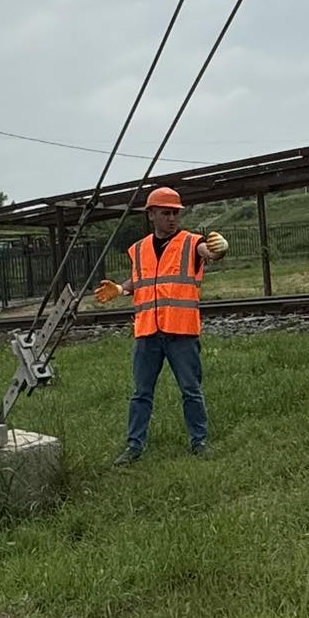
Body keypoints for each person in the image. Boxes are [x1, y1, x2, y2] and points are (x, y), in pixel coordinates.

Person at [97, 187, 227, 464]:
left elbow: (209, 252)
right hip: (147, 333)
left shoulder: (192, 243)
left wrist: (218, 250)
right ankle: (134, 446)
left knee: (191, 390)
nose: (172, 218)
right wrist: (121, 288)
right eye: (166, 213)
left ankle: (199, 442)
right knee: (141, 393)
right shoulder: (140, 249)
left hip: (181, 331)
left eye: (175, 213)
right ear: (151, 214)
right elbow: (141, 280)